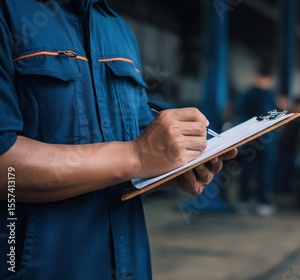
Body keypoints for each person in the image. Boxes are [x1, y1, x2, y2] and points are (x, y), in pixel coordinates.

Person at [0, 1, 237, 279]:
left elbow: (137, 142)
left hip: (130, 267)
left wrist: (173, 166)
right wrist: (137, 156)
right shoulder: (9, 13)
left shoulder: (117, 29)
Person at [235, 64, 277, 216]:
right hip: (259, 141)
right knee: (255, 172)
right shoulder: (261, 94)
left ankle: (251, 202)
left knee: (255, 172)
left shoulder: (252, 94)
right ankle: (256, 202)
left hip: (255, 140)